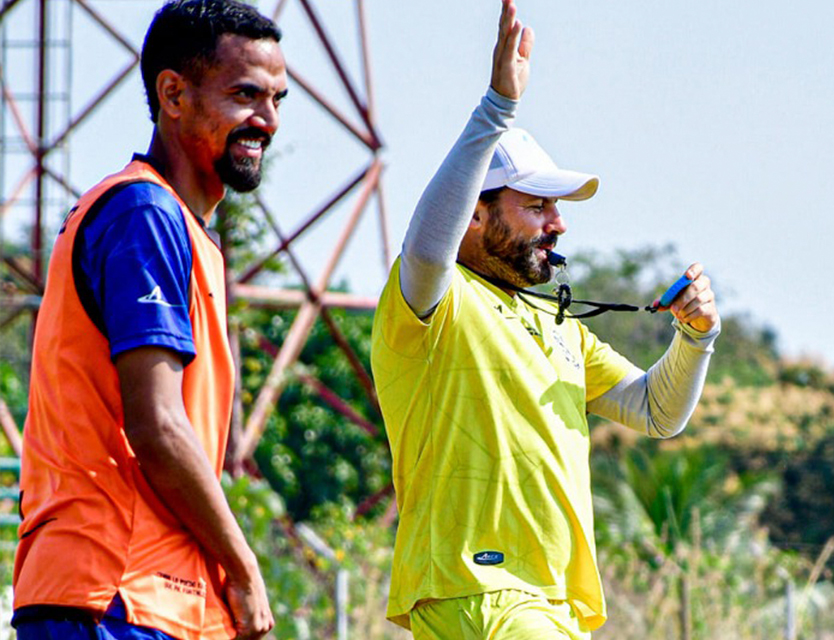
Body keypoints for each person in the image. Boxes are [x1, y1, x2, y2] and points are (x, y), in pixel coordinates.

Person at [371, 1, 720, 637]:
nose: (558, 224)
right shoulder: (433, 302)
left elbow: (656, 411)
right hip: (477, 587)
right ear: (475, 215)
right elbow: (426, 248)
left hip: (552, 600)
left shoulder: (557, 325)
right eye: (537, 206)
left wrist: (696, 338)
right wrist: (497, 108)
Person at [13, 1, 287, 638]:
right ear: (173, 93)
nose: (266, 120)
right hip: (110, 592)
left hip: (153, 599)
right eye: (245, 95)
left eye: (277, 99)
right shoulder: (144, 214)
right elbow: (157, 423)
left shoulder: (186, 233)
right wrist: (245, 570)